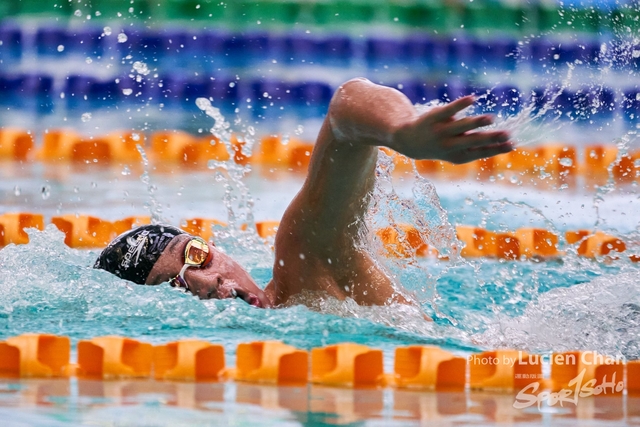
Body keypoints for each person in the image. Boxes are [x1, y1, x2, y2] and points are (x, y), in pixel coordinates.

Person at [94, 78, 513, 309]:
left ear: (215, 248)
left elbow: (345, 108)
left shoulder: (304, 268)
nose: (207, 281)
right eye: (176, 287)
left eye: (197, 255)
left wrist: (402, 130)